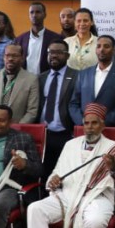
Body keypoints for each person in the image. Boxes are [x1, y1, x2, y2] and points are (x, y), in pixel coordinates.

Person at [68, 35, 115, 127]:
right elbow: (73, 103)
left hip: (109, 129)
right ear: (95, 50)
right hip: (84, 129)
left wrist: (101, 122)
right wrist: (83, 121)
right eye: (98, 46)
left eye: (106, 46)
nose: (101, 49)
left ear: (114, 50)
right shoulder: (83, 74)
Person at [38, 40, 78, 184]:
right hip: (44, 134)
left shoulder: (77, 76)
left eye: (58, 52)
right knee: (44, 172)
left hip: (65, 133)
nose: (53, 56)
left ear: (67, 56)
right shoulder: (41, 77)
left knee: (64, 174)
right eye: (51, 52)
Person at [0, 44, 39, 132]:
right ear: (3, 57)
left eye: (15, 56)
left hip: (16, 133)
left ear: (22, 58)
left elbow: (32, 111)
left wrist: (15, 130)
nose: (10, 59)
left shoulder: (31, 80)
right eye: (7, 55)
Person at [14, 2, 63, 76]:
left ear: (44, 15)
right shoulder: (20, 39)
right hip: (25, 81)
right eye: (31, 12)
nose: (34, 15)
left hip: (46, 79)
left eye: (38, 12)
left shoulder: (55, 38)